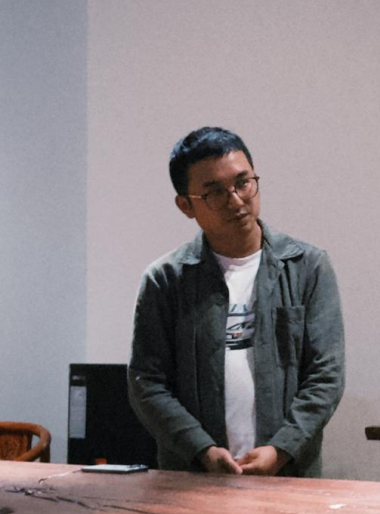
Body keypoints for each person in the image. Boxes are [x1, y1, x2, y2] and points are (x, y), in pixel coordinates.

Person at [129, 127, 345, 477]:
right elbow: (147, 383)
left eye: (243, 183)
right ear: (186, 205)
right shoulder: (166, 280)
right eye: (214, 192)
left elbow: (326, 375)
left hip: (287, 476)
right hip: (193, 479)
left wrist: (282, 449)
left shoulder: (307, 267)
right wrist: (201, 449)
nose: (235, 200)